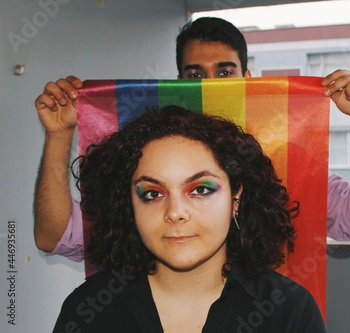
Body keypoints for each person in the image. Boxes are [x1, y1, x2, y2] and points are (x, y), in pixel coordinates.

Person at [34, 17, 350, 262]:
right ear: (179, 82)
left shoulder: (289, 162)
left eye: (224, 72)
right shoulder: (147, 164)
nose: (210, 85)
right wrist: (58, 135)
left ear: (248, 77)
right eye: (196, 74)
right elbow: (56, 236)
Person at [52, 105, 326, 332]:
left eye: (200, 190)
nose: (175, 212)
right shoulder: (87, 310)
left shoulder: (289, 312)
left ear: (236, 198)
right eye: (152, 194)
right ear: (129, 206)